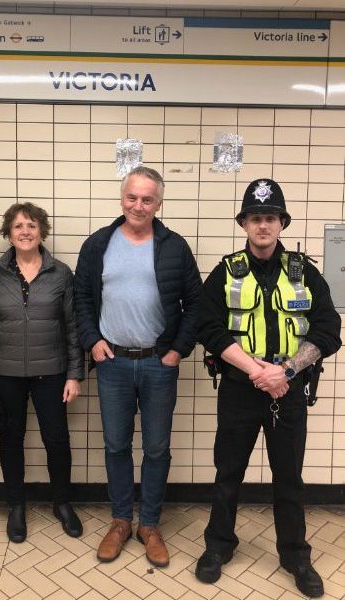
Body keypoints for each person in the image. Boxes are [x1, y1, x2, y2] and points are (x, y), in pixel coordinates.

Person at [195, 178, 342, 598]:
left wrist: (287, 371)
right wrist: (255, 370)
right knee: (228, 474)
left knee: (289, 478)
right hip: (240, 389)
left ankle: (295, 554)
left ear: (282, 223)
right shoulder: (225, 272)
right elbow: (208, 326)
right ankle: (219, 546)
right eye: (256, 218)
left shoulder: (304, 272)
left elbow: (329, 329)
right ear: (244, 223)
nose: (263, 225)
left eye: (271, 218)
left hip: (288, 391)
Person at [74, 166, 201, 567]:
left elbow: (196, 304)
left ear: (159, 203)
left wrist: (177, 350)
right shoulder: (98, 244)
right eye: (132, 197)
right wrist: (92, 341)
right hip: (112, 363)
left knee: (157, 448)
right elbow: (81, 299)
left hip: (158, 365)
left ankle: (149, 524)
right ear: (121, 198)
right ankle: (119, 521)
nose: (139, 205)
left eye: (148, 199)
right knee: (115, 444)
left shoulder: (175, 247)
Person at [0, 202, 84, 542]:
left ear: (41, 231)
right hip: (4, 373)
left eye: (31, 225)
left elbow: (73, 327)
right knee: (11, 439)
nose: (25, 231)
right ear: (9, 232)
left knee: (57, 440)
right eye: (18, 226)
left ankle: (62, 503)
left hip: (52, 371)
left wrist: (75, 374)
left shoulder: (61, 273)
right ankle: (16, 507)